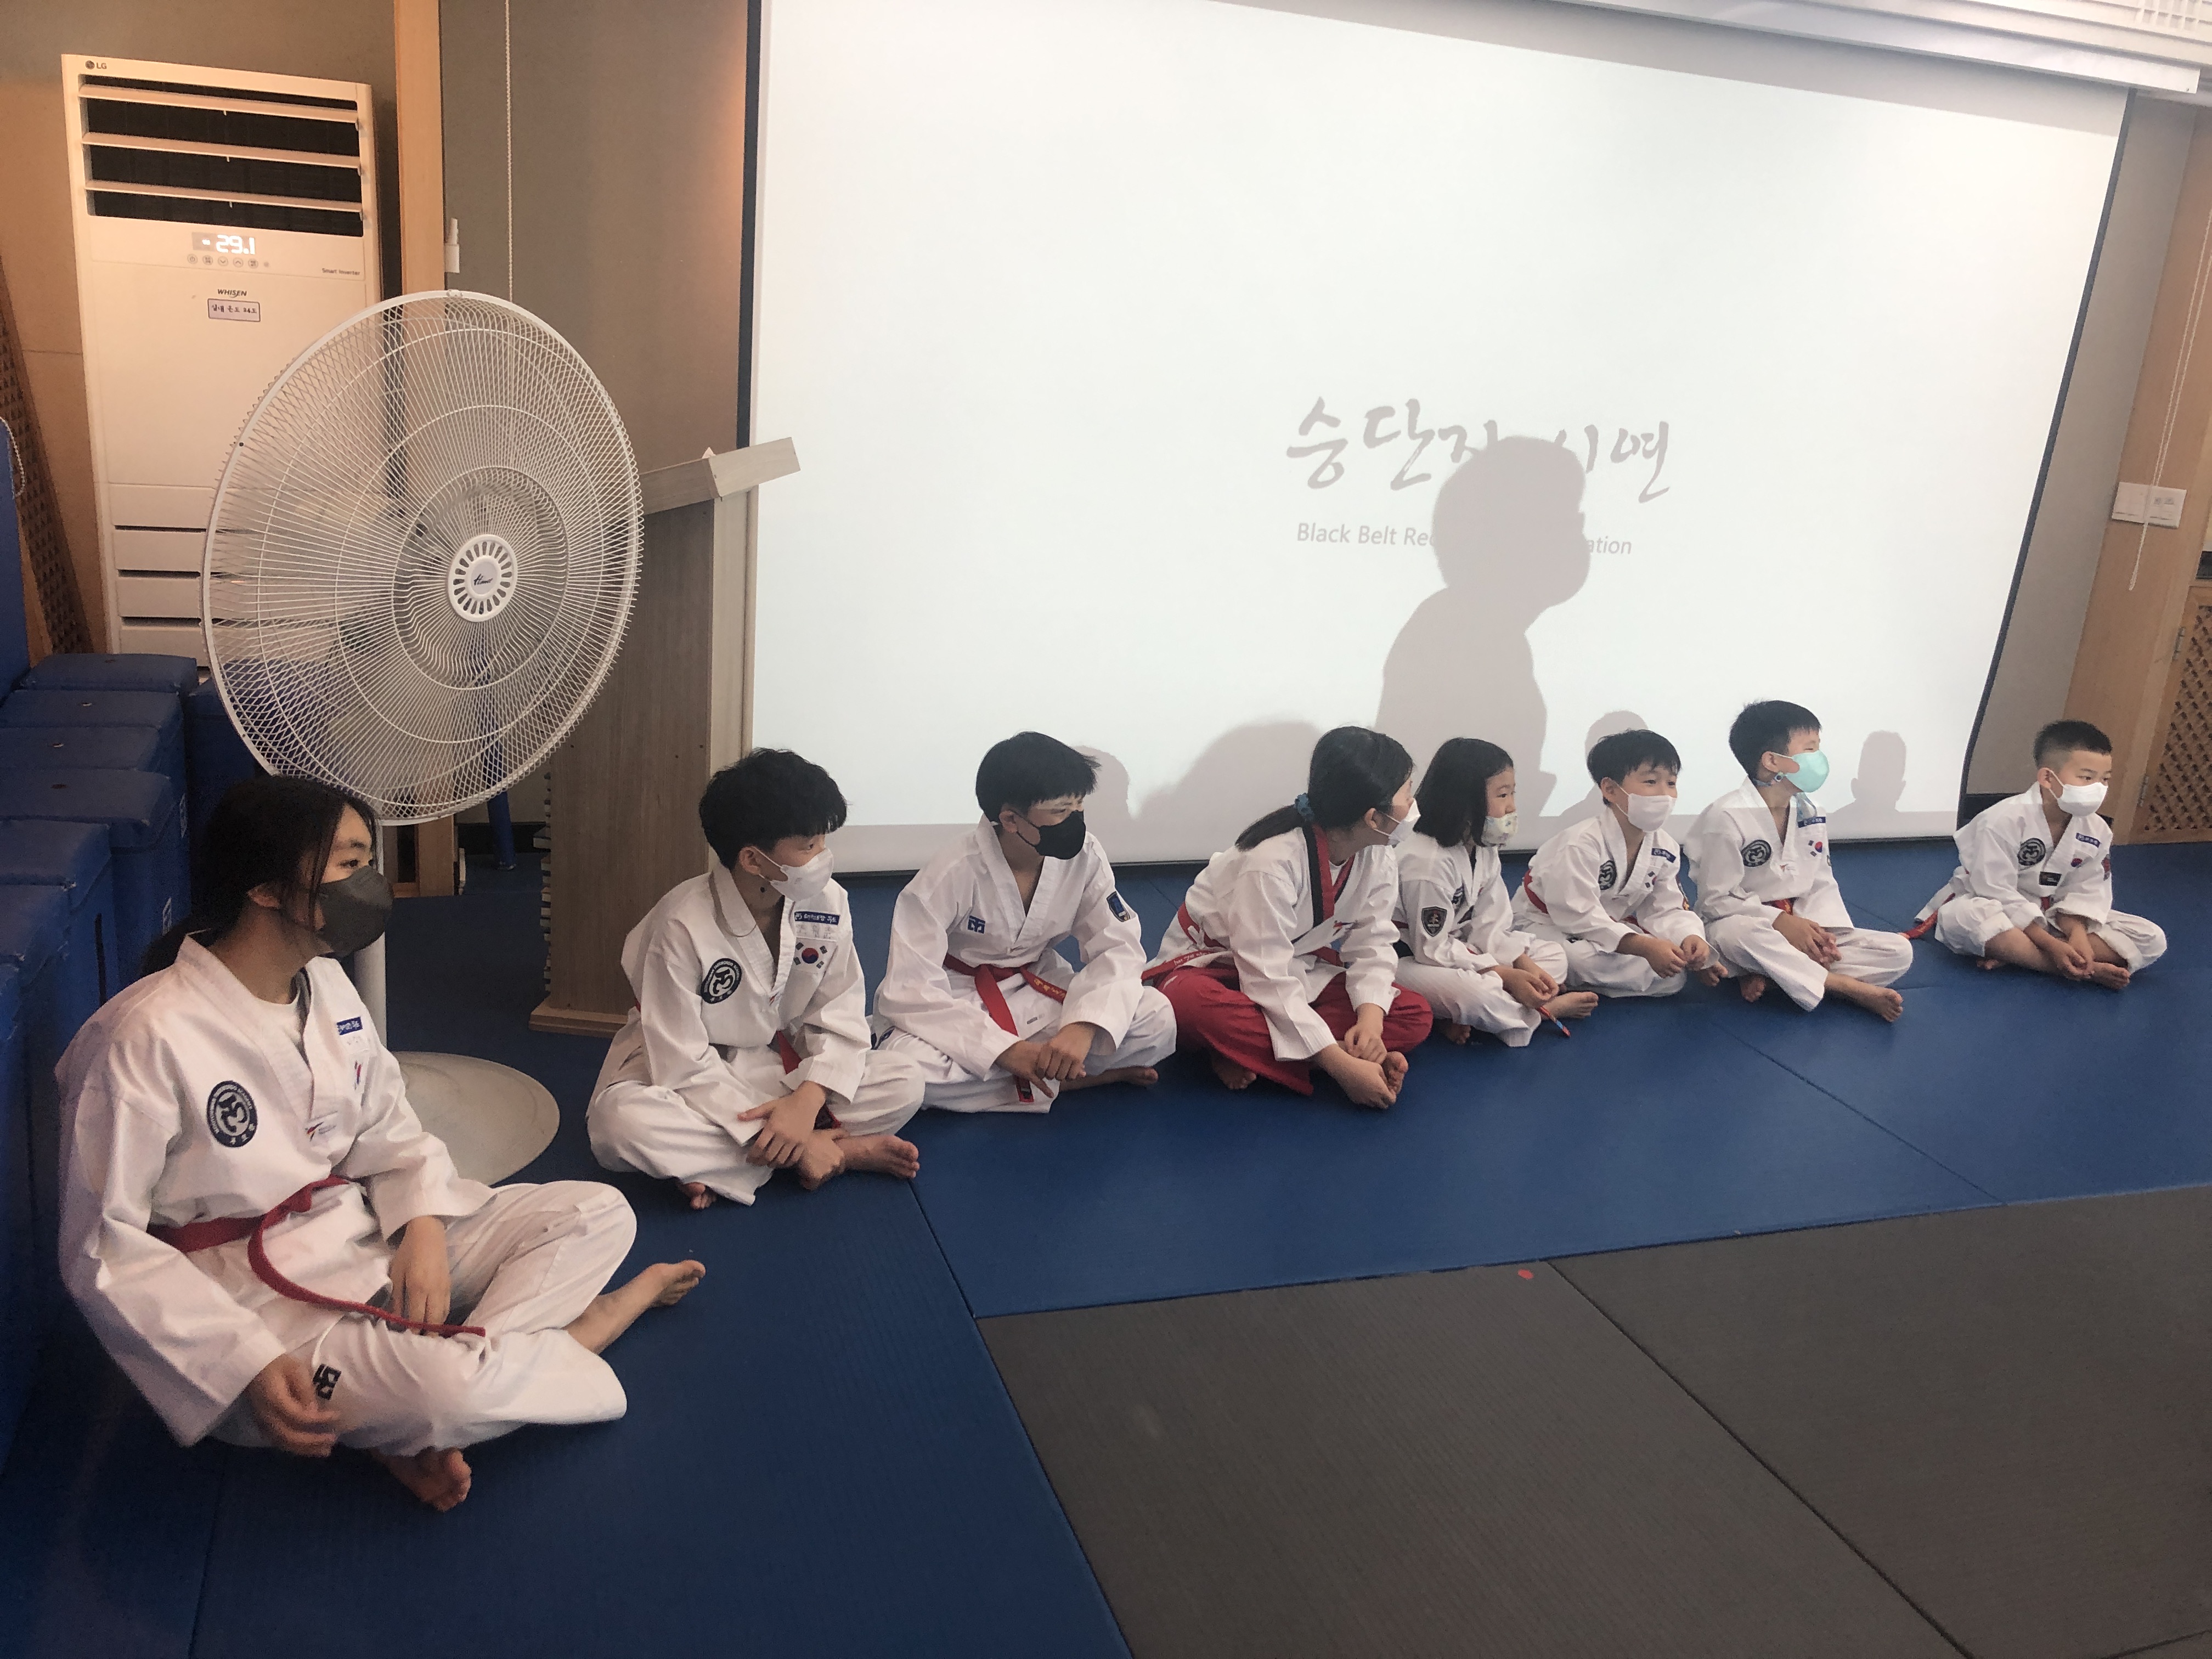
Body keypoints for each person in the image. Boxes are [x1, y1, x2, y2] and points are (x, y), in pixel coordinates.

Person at [57, 776, 702, 1514]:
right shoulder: (142, 1036)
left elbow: (387, 1125)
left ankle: (437, 1392)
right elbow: (101, 1246)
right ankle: (579, 1333)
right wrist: (243, 1361)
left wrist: (420, 1223)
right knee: (446, 1395)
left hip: (358, 1232)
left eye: (369, 860)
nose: (369, 882)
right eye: (348, 863)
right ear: (265, 888)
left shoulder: (327, 986)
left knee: (595, 1213)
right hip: (255, 1303)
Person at [589, 749, 923, 1207]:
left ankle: (716, 1164)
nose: (823, 857)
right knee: (619, 1125)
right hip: (691, 1075)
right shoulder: (680, 924)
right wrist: (794, 1132)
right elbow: (681, 1062)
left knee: (905, 1080)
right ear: (753, 859)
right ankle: (831, 1152)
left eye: (823, 841)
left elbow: (840, 1012)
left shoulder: (827, 902)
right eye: (808, 846)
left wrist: (808, 1099)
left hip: (780, 1066)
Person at [875, 732, 1173, 1111]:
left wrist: (1083, 1027)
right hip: (959, 996)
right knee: (908, 1070)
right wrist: (1004, 1051)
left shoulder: (1086, 856)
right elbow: (910, 987)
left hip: (1037, 983)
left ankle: (1034, 1079)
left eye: (1079, 807)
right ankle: (1074, 1080)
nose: (1075, 820)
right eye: (1060, 811)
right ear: (1011, 820)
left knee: (1157, 1018)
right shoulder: (952, 871)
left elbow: (1118, 945)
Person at [1148, 725, 1434, 1107]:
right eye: (1407, 792)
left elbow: (1374, 943)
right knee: (1189, 1008)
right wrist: (1342, 1068)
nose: (1413, 803)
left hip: (1294, 964)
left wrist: (1371, 1023)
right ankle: (1329, 1056)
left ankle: (1245, 1052)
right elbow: (1265, 976)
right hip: (1214, 964)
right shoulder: (1272, 861)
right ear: (1374, 817)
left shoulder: (1378, 854)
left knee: (1414, 1013)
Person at [1683, 700, 1914, 1022]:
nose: (1820, 758)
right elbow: (1716, 901)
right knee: (1737, 935)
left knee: (1899, 952)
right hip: (1746, 926)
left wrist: (1820, 936)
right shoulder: (1726, 817)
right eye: (1810, 750)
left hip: (1801, 924)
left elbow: (1820, 882)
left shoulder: (1811, 811)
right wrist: (1780, 922)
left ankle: (1777, 977)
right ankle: (1844, 986)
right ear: (1772, 761)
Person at [1911, 718, 2165, 986]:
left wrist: (2078, 936)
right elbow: (1994, 891)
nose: (2098, 788)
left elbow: (2085, 893)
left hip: (2051, 914)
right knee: (1964, 918)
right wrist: (2051, 944)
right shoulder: (2002, 820)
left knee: (2151, 937)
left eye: (2105, 779)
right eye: (2087, 778)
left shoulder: (2097, 829)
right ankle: (2067, 967)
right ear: (2047, 778)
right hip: (1994, 907)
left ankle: (2023, 955)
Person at [1393, 737, 1594, 1045]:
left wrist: (1522, 964)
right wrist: (1503, 974)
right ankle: (1540, 1013)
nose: (1511, 806)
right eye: (1502, 795)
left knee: (1553, 957)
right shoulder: (1426, 861)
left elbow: (1490, 924)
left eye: (1512, 793)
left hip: (1457, 946)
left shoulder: (1481, 845)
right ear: (1465, 800)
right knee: (1479, 994)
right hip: (1408, 960)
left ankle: (1467, 1016)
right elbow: (1430, 949)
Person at [1511, 729, 1709, 996]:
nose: (1664, 794)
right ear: (1610, 789)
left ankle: (1574, 983)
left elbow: (1666, 908)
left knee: (1674, 974)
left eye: (1671, 783)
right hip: (1546, 925)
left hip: (1608, 929)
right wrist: (1643, 947)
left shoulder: (1665, 847)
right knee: (1579, 958)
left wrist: (1689, 938)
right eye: (1651, 782)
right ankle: (1558, 977)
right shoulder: (1580, 844)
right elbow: (1577, 915)